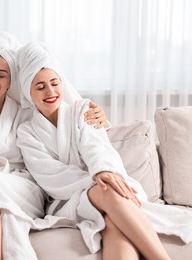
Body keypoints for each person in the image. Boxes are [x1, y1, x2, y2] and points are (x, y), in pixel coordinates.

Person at [16, 41, 192, 260]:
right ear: (28, 91)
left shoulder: (81, 109)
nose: (50, 91)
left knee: (112, 221)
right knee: (106, 190)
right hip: (66, 200)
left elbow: (96, 145)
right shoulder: (26, 132)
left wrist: (101, 171)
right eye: (40, 86)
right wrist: (96, 179)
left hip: (105, 183)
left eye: (54, 83)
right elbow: (49, 174)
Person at [0, 32, 108, 259]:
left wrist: (96, 114)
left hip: (24, 187)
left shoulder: (26, 111)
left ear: (12, 80)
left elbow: (61, 110)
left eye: (2, 74)